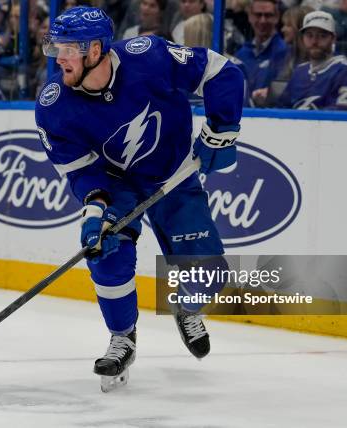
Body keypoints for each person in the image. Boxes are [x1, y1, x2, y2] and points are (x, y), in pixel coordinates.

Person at [35, 7, 243, 390]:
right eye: (56, 48)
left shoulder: (149, 55)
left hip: (173, 174)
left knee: (211, 274)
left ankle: (188, 307)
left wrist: (223, 127)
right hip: (118, 185)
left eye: (67, 49)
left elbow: (222, 72)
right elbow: (82, 172)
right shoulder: (53, 106)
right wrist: (94, 211)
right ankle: (123, 338)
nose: (58, 58)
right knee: (107, 255)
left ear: (95, 49)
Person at [276, 11, 347, 110]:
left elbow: (339, 116)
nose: (314, 41)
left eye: (322, 36)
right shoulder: (299, 71)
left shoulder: (344, 71)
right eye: (309, 35)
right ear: (302, 38)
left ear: (333, 38)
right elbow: (281, 108)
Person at [236, 0, 288, 106]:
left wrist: (270, 94)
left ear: (277, 17)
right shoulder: (242, 54)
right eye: (258, 15)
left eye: (268, 15)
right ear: (250, 16)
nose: (263, 20)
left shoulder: (285, 52)